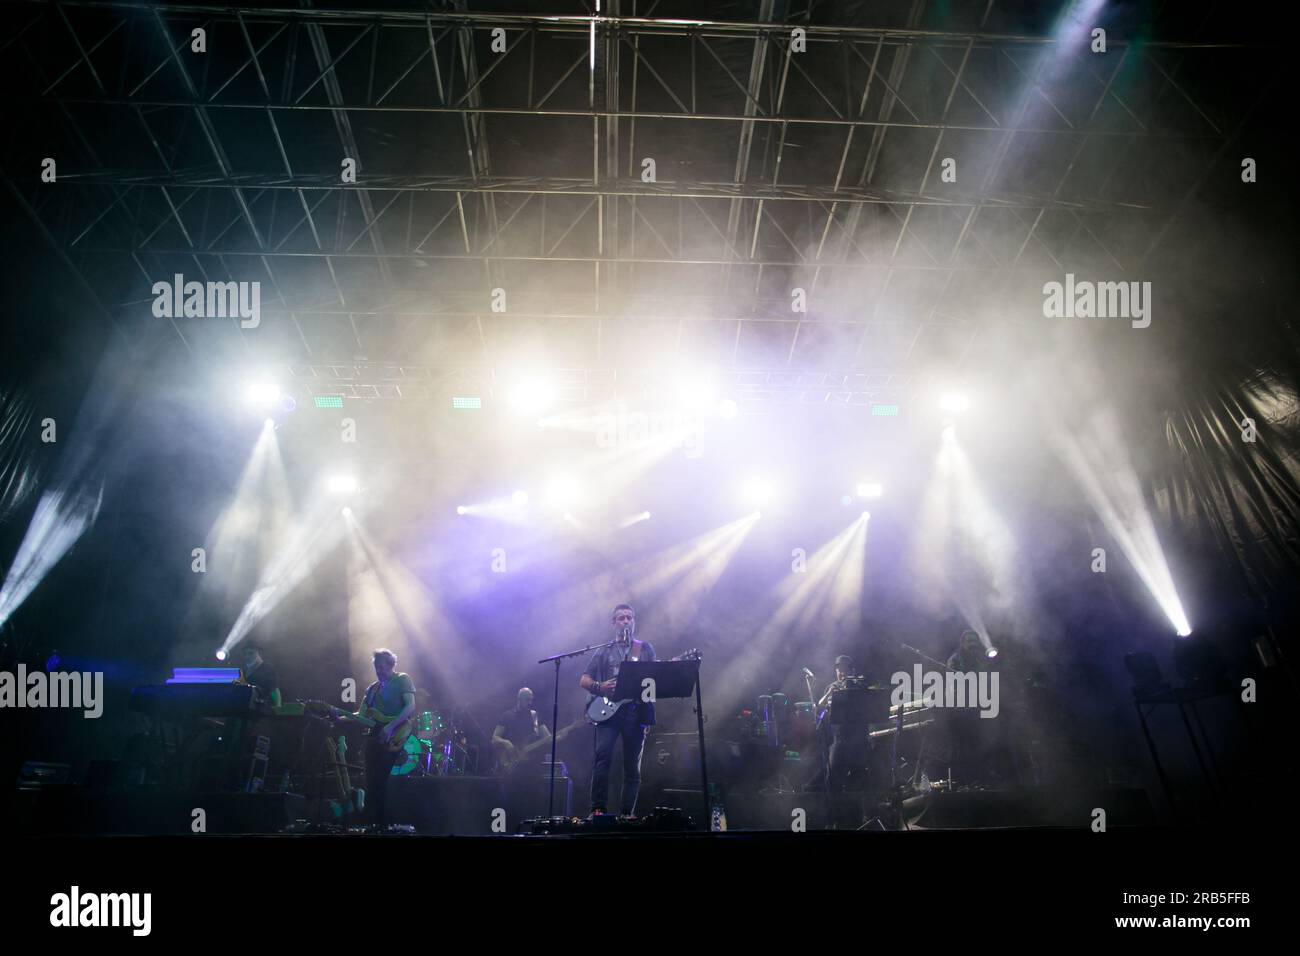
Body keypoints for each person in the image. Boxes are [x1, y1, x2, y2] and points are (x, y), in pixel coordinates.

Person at [579, 603, 656, 818]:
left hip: (635, 712)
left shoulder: (644, 649)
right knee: (602, 758)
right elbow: (584, 679)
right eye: (621, 618)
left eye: (629, 618)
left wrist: (648, 716)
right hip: (608, 713)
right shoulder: (604, 650)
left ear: (634, 621)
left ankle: (626, 814)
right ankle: (598, 810)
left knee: (632, 766)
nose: (625, 621)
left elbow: (652, 682)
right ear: (614, 623)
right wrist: (600, 687)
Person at [360, 648, 417, 827]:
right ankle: (372, 825)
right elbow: (360, 714)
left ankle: (383, 826)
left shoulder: (402, 679)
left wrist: (390, 726)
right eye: (377, 667)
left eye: (382, 667)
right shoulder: (372, 689)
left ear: (392, 665)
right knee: (371, 783)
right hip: (374, 738)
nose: (379, 671)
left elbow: (410, 707)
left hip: (395, 734)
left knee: (381, 781)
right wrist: (337, 715)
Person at [491, 687, 551, 773]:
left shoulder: (535, 716)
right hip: (512, 765)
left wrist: (564, 733)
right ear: (519, 699)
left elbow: (548, 738)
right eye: (527, 700)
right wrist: (506, 742)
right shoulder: (507, 715)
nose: (530, 703)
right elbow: (494, 738)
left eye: (531, 700)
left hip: (532, 766)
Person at [240, 642, 281, 707]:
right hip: (244, 709)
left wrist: (278, 707)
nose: (247, 656)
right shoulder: (242, 669)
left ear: (259, 653)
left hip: (262, 710)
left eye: (251, 653)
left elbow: (274, 689)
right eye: (245, 654)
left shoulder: (268, 668)